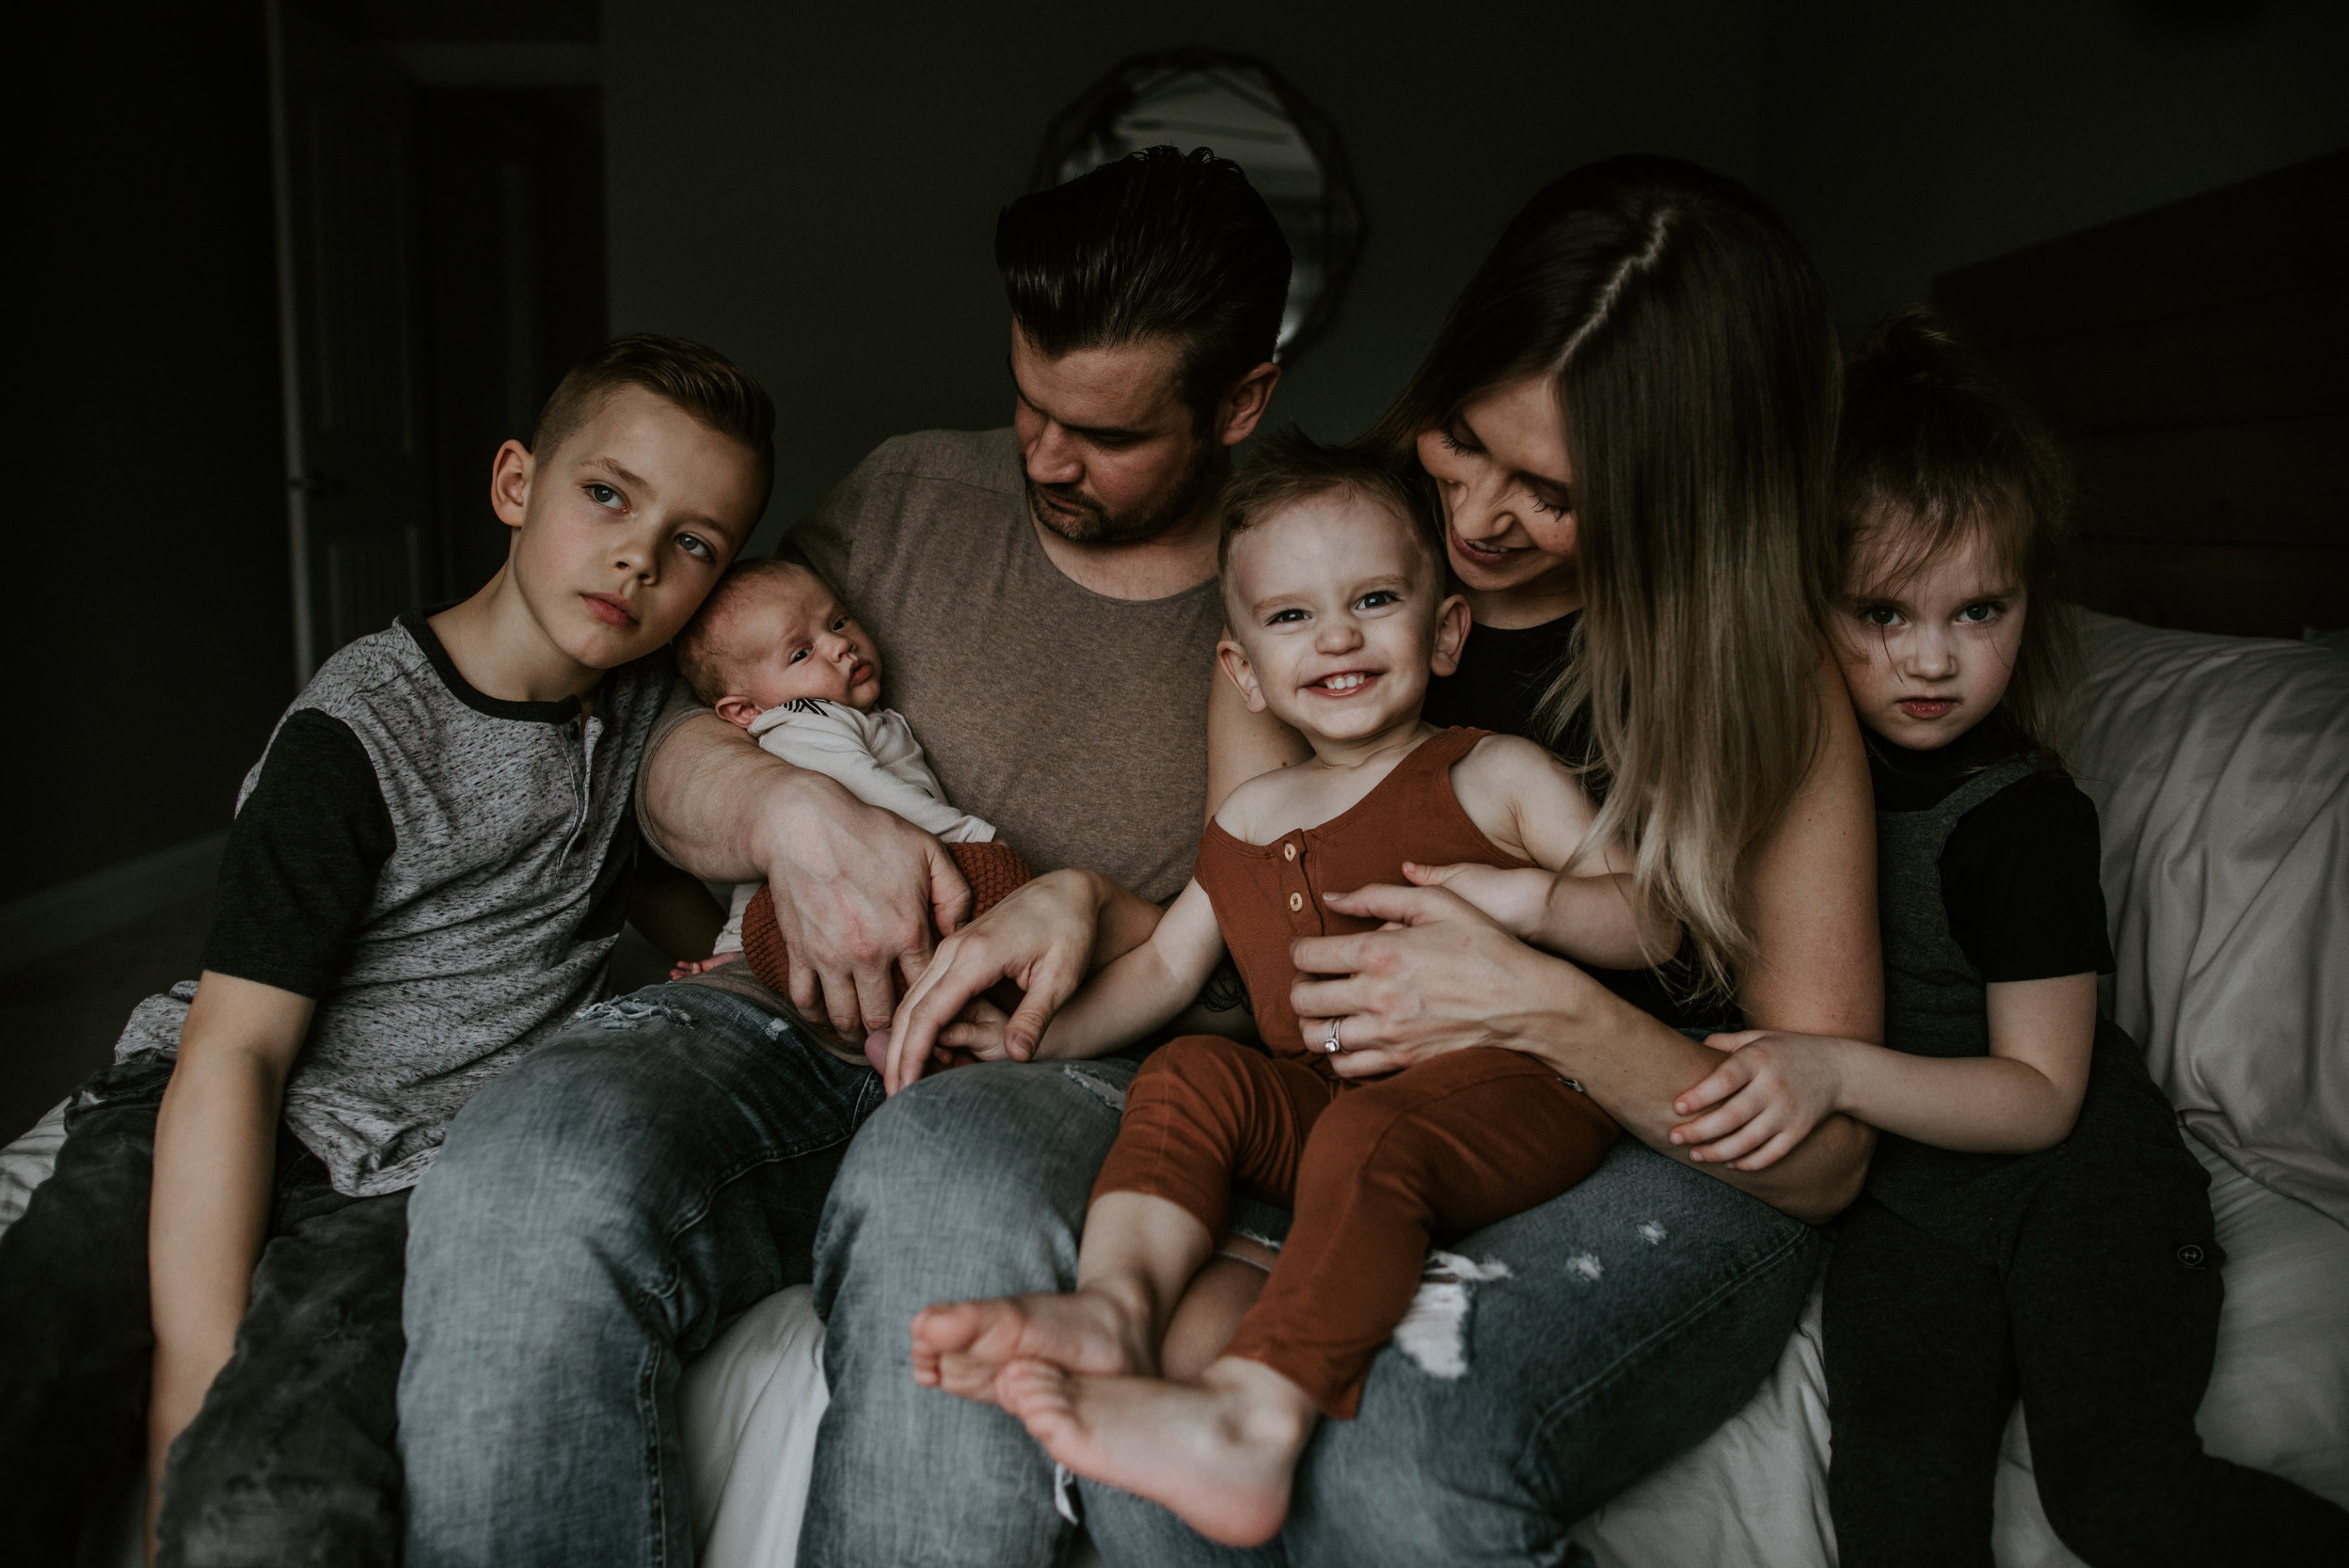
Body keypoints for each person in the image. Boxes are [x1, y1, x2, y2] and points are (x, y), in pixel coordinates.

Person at [829, 154, 1879, 1567]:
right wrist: (1085, 902)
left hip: (1644, 1130)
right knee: (1161, 1398)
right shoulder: (1309, 563)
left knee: (1409, 1449)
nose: (1480, 516)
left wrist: (1530, 995)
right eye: (1463, 435)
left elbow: (1821, 1160)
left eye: (1554, 492)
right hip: (1351, 1101)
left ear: (1685, 489)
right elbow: (1261, 921)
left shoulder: (1758, 675)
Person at [393, 144, 1288, 1568]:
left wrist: (1104, 905)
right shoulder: (917, 492)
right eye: (1030, 402)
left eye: (1105, 434)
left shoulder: (1309, 574)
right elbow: (665, 728)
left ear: (1242, 401)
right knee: (527, 1160)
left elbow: (1307, 936)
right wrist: (786, 816)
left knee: (941, 1194)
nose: (1045, 457)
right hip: (774, 1022)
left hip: (1064, 1061)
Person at [0, 334, 768, 1566]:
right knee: (32, 1350)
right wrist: (183, 1395)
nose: (639, 554)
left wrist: (756, 961)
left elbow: (678, 902)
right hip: (225, 1091)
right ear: (516, 484)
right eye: (609, 494)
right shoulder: (360, 731)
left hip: (416, 1168)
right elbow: (236, 1054)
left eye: (694, 543)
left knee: (270, 1506)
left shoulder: (637, 725)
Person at [1667, 309, 2349, 1566]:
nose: (1931, 658)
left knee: (2121, 1492)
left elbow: (2040, 1096)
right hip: (1911, 1200)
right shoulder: (1790, 773)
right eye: (1880, 610)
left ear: (2032, 603)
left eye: (1979, 610)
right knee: (1897, 1507)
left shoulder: (2026, 820)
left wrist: (1828, 1068)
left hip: (2082, 1177)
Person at [915, 436, 1678, 1545]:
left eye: (1373, 599)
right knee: (1188, 1070)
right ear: (1241, 668)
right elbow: (1166, 971)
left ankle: (1253, 1418)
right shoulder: (1248, 817)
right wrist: (1028, 1035)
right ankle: (1108, 1309)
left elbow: (1655, 911)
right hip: (1329, 1101)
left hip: (1520, 1087)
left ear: (1447, 628)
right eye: (1290, 616)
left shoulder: (1489, 770)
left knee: (1369, 1137)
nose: (1335, 636)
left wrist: (1534, 905)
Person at [666, 557, 1018, 1007]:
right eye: (800, 653)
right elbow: (869, 789)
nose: (839, 645)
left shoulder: (840, 716)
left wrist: (732, 947)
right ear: (745, 711)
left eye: (837, 621)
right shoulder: (802, 722)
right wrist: (972, 835)